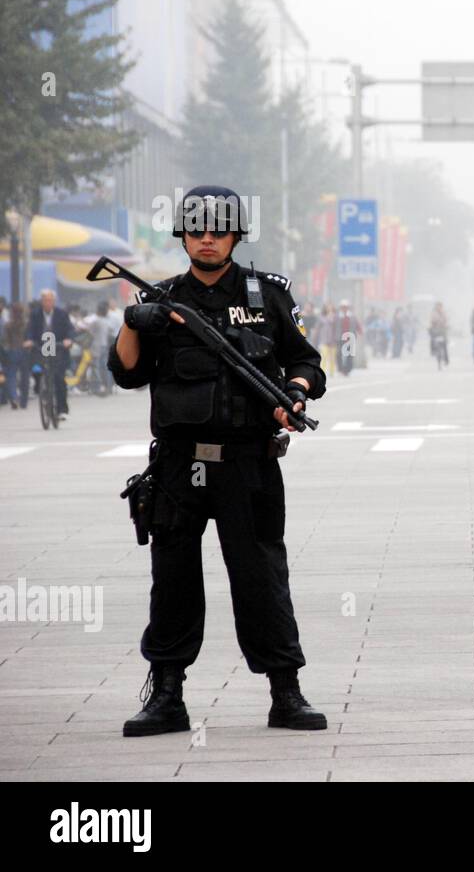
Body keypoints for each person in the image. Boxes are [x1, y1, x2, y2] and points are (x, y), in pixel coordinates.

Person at [108, 185, 328, 737]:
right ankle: (166, 696)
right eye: (197, 229)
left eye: (219, 229)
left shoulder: (267, 295)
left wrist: (294, 397)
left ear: (235, 234)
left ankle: (286, 692)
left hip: (247, 462)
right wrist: (134, 321)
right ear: (183, 235)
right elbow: (126, 373)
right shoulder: (159, 299)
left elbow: (306, 362)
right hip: (182, 465)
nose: (207, 238)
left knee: (261, 577)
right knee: (173, 578)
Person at [24, 288, 75, 418]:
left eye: (50, 300)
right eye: (45, 300)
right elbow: (29, 329)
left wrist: (68, 340)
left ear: (54, 301)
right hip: (41, 347)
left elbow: (70, 329)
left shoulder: (61, 314)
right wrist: (29, 340)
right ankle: (41, 390)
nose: (48, 303)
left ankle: (61, 409)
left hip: (57, 347)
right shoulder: (35, 314)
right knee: (37, 371)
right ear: (42, 301)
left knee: (58, 378)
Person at [4, 298, 29, 409]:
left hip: (12, 351)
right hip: (25, 351)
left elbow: (6, 340)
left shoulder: (8, 325)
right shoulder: (27, 324)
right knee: (25, 377)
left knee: (11, 376)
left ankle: (14, 397)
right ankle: (23, 401)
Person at [335, 300, 361, 376]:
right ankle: (340, 369)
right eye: (343, 307)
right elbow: (333, 327)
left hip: (350, 337)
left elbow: (357, 325)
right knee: (339, 354)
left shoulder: (352, 316)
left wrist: (360, 331)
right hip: (340, 337)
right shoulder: (337, 316)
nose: (344, 309)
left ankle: (348, 370)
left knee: (349, 355)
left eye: (346, 307)